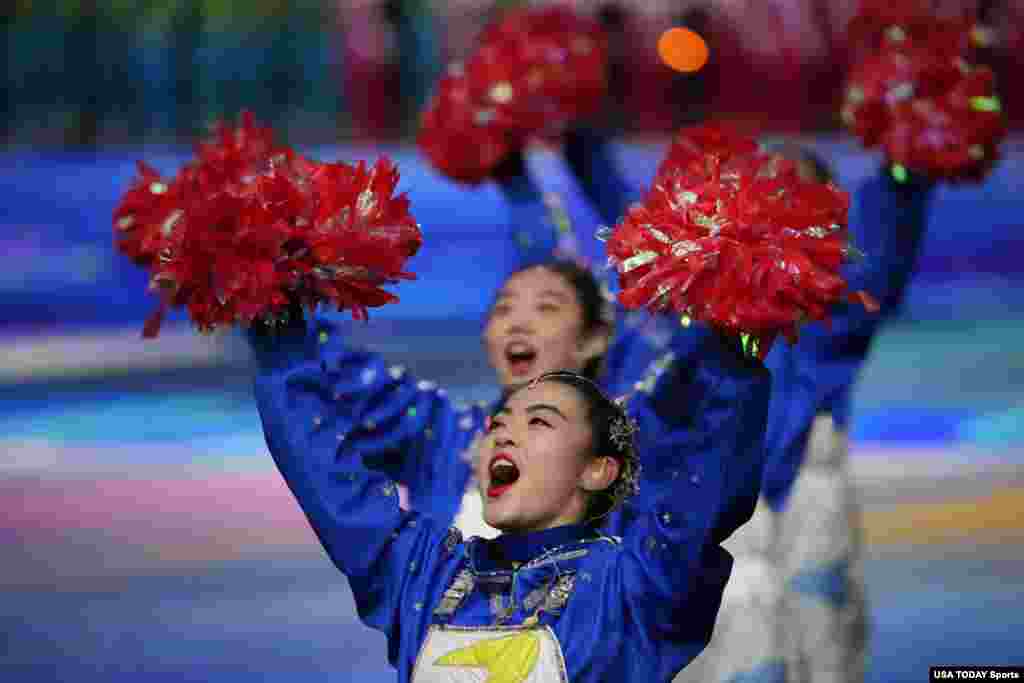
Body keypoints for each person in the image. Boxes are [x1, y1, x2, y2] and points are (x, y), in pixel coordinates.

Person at [252, 345, 770, 680]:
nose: (503, 430)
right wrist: (283, 355)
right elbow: (328, 478)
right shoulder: (423, 572)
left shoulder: (634, 585)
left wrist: (738, 356)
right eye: (499, 422)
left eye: (539, 422)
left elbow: (708, 487)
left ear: (597, 470)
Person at [673, 143, 935, 683]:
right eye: (767, 188)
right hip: (716, 529)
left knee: (823, 664)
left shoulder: (838, 314)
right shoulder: (695, 316)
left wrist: (909, 163)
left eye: (799, 194)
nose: (780, 205)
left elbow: (887, 246)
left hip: (804, 516)